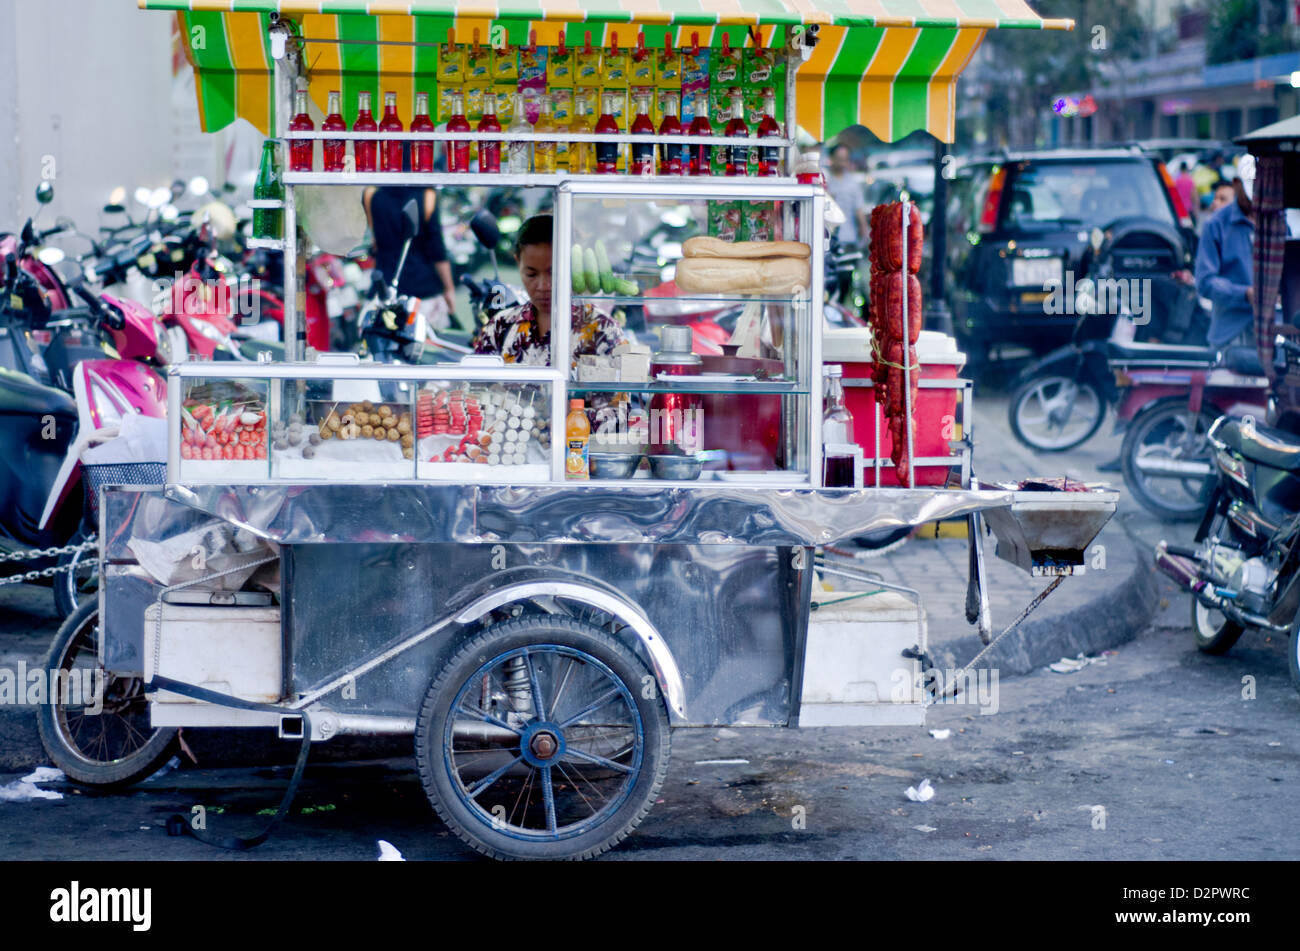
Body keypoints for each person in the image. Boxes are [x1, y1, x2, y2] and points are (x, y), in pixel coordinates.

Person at [472, 214, 627, 366]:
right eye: (531, 274)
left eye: (553, 274)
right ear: (518, 262)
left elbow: (617, 390)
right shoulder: (501, 326)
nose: (543, 286)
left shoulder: (603, 331)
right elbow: (475, 386)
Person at [363, 185, 455, 328]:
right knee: (429, 347)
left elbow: (375, 244)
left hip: (384, 291)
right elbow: (437, 250)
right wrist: (449, 288)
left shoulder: (371, 194)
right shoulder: (427, 195)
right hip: (423, 294)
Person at [1195, 176, 1255, 349]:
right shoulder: (1215, 225)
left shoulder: (1277, 220)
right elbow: (1205, 281)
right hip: (1230, 334)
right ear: (1238, 185)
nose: (1216, 203)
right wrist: (1245, 293)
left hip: (1274, 331)